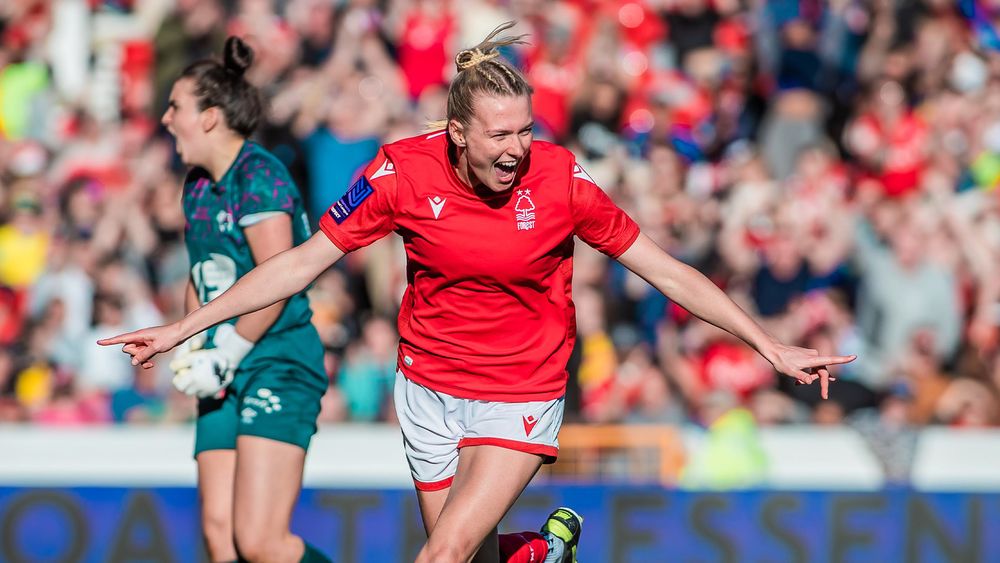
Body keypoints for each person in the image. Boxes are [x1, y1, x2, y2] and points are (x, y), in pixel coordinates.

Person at [101, 23, 855, 563]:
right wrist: (182, 326)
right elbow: (299, 264)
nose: (516, 149)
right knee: (472, 555)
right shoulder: (398, 172)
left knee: (444, 553)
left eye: (525, 131)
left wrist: (768, 342)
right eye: (499, 135)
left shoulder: (560, 179)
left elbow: (665, 269)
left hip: (520, 391)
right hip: (429, 391)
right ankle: (536, 550)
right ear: (457, 133)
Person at [153, 36, 330, 562]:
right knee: (218, 534)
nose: (165, 120)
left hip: (276, 361)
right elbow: (202, 274)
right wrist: (189, 344)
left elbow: (278, 281)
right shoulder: (198, 184)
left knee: (260, 541)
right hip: (222, 362)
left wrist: (223, 351)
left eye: (175, 107)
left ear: (210, 117)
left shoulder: (259, 177)